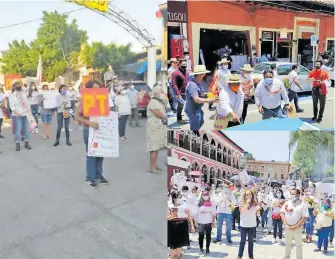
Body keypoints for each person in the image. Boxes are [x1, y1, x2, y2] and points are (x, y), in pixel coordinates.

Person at [74, 80, 108, 188]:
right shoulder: (85, 101)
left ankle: (99, 175)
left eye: (99, 87)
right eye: (94, 87)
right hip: (89, 130)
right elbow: (77, 116)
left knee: (100, 154)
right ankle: (90, 178)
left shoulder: (102, 100)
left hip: (101, 130)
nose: (97, 89)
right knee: (91, 155)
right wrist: (89, 123)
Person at [185, 65, 216, 132]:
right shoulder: (193, 85)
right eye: (203, 74)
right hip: (193, 109)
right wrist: (210, 100)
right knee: (195, 127)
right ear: (200, 74)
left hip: (197, 108)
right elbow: (196, 99)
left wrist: (206, 95)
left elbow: (199, 94)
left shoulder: (198, 83)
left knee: (201, 122)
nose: (204, 75)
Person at [280, 188, 309, 259]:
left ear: (298, 195)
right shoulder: (287, 203)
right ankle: (286, 257)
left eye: (293, 194)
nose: (291, 195)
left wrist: (296, 226)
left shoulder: (303, 204)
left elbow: (304, 217)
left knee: (298, 245)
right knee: (287, 244)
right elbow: (282, 213)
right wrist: (285, 224)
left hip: (298, 228)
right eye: (291, 194)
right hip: (288, 228)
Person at [146, 84, 167, 173]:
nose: (163, 93)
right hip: (154, 126)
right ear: (156, 93)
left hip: (159, 126)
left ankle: (154, 165)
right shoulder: (153, 102)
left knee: (157, 147)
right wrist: (166, 117)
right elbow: (158, 114)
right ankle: (152, 167)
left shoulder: (159, 101)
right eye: (161, 92)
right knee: (153, 147)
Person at [168, 191, 194, 259]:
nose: (180, 199)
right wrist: (171, 215)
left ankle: (179, 257)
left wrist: (192, 225)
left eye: (181, 197)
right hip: (172, 225)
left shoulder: (184, 205)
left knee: (180, 245)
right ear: (174, 198)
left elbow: (189, 216)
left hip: (182, 225)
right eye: (178, 197)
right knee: (173, 245)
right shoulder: (169, 205)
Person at [237, 190, 260, 259]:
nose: (248, 196)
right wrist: (247, 204)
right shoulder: (241, 203)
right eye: (247, 194)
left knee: (251, 241)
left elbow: (258, 215)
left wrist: (258, 209)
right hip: (243, 225)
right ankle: (239, 256)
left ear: (252, 195)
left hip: (252, 225)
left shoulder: (255, 203)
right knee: (242, 241)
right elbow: (242, 212)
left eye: (250, 194)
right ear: (245, 196)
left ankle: (251, 256)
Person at [197, 190, 216, 255]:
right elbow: (196, 213)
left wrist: (213, 222)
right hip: (201, 222)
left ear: (209, 195)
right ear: (202, 196)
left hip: (208, 222)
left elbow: (214, 214)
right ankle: (201, 248)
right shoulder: (199, 203)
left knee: (208, 236)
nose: (205, 196)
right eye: (204, 195)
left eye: (207, 195)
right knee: (201, 236)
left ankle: (207, 248)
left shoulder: (212, 203)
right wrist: (196, 223)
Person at [171, 59, 189, 124]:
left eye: (186, 64)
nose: (185, 65)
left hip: (188, 92)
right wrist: (178, 94)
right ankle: (179, 119)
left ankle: (191, 116)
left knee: (190, 104)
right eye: (183, 64)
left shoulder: (187, 72)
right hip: (180, 93)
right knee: (180, 105)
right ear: (179, 64)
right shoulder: (175, 73)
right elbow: (174, 84)